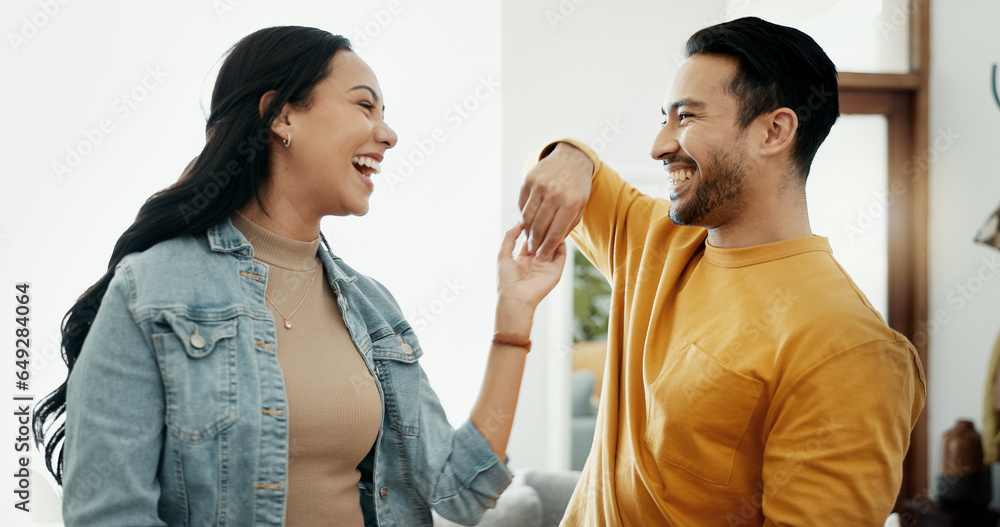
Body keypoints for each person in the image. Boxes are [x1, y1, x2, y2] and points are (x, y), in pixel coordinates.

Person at [32, 26, 566, 527]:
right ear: (280, 116)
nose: (389, 133)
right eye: (364, 105)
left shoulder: (372, 308)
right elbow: (109, 513)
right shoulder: (151, 288)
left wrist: (514, 314)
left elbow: (460, 491)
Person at [518, 17, 926, 526]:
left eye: (686, 118)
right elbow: (564, 179)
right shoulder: (656, 240)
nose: (659, 145)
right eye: (664, 119)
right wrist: (571, 155)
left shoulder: (850, 347)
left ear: (773, 131)